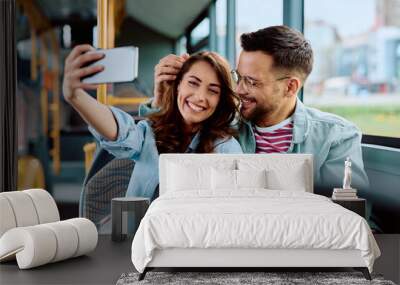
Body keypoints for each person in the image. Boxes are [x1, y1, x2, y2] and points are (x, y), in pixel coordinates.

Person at [140, 25, 369, 194]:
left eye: (251, 82)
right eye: (238, 77)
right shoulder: (220, 126)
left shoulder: (336, 137)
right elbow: (156, 144)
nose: (238, 90)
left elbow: (350, 215)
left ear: (290, 87)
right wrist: (162, 98)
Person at [62, 45, 243, 200]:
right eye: (193, 83)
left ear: (221, 101)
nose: (200, 97)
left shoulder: (226, 148)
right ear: (178, 84)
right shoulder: (150, 133)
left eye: (213, 91)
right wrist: (75, 96)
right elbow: (120, 131)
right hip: (138, 234)